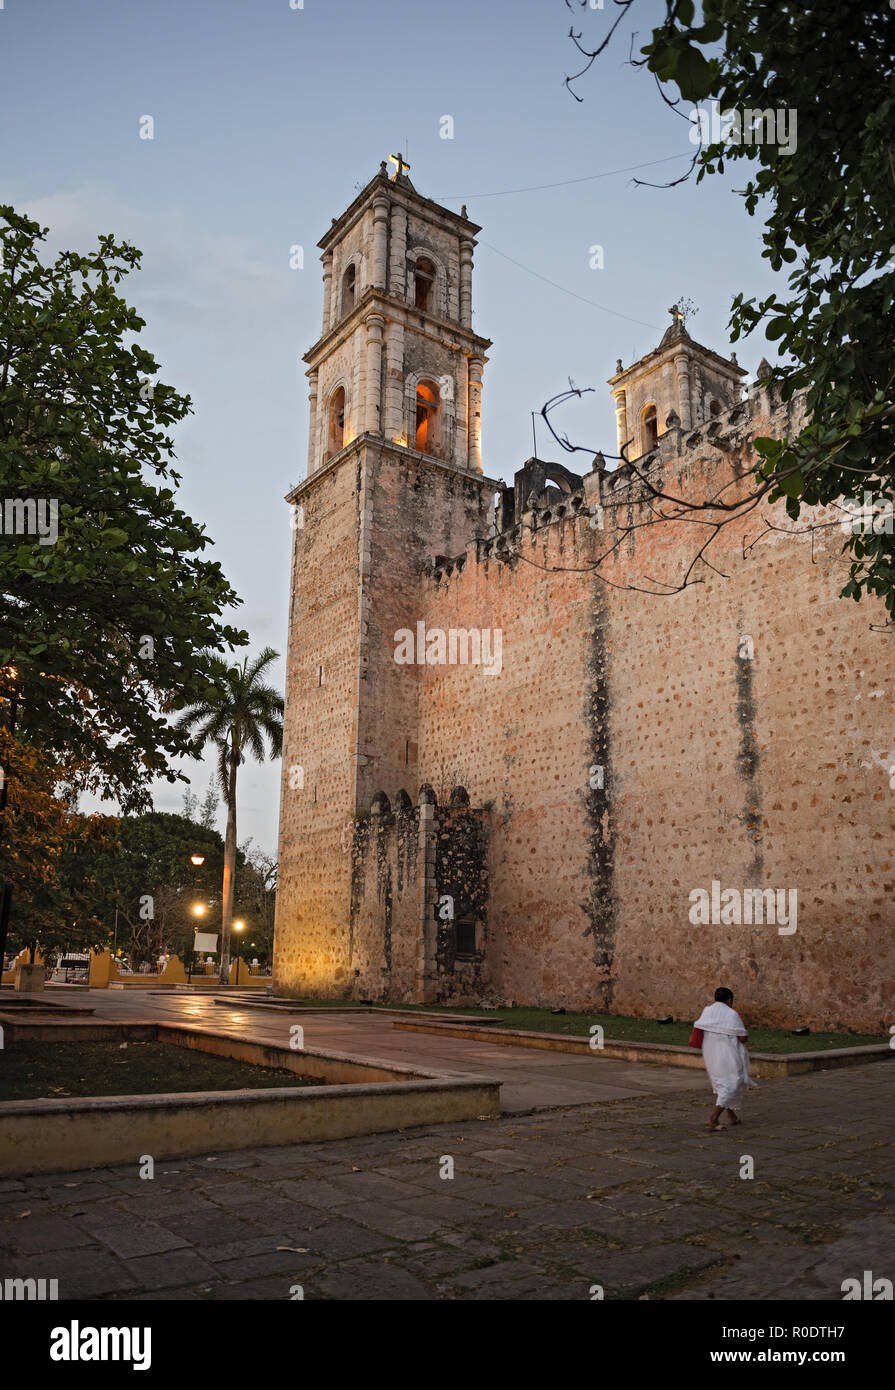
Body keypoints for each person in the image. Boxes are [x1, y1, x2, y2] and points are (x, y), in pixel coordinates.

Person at [694, 986, 755, 1131]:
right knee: (732, 1083)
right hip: (727, 1053)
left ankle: (731, 1116)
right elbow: (743, 1037)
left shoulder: (707, 1010)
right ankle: (713, 1119)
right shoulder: (731, 1013)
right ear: (729, 1000)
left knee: (722, 1082)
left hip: (710, 1052)